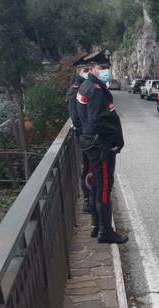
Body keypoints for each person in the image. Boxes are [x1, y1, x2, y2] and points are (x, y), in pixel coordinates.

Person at [76, 50, 128, 244]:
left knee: (98, 185)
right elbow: (99, 120)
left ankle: (97, 226)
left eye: (107, 67)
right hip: (101, 145)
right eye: (102, 68)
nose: (105, 71)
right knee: (104, 186)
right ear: (92, 69)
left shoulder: (87, 86)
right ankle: (105, 232)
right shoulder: (95, 91)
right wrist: (115, 140)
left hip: (92, 142)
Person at [66, 54, 93, 214]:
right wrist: (86, 136)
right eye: (84, 70)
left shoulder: (88, 87)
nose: (87, 72)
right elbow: (76, 118)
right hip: (85, 138)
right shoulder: (75, 91)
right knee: (87, 167)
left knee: (91, 167)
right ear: (78, 71)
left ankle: (91, 196)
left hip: (90, 136)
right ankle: (87, 199)